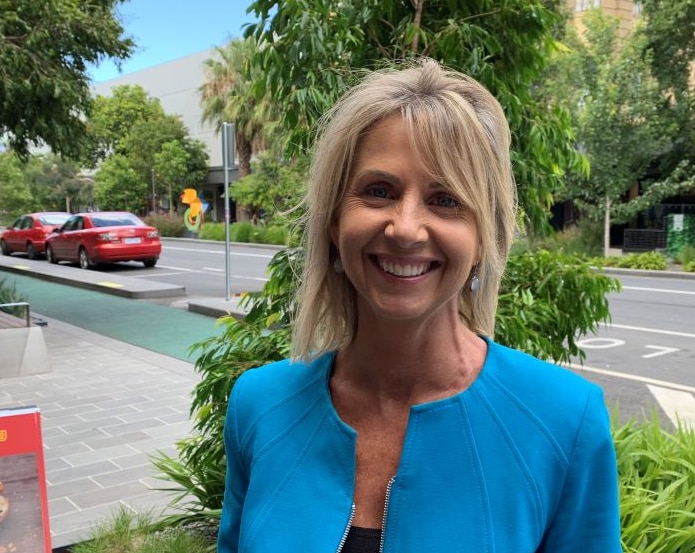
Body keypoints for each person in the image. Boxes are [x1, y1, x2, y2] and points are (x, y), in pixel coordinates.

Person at [217, 58, 622, 553]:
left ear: (485, 238)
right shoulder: (259, 405)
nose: (406, 228)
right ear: (332, 221)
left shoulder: (564, 421)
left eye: (446, 199)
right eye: (378, 191)